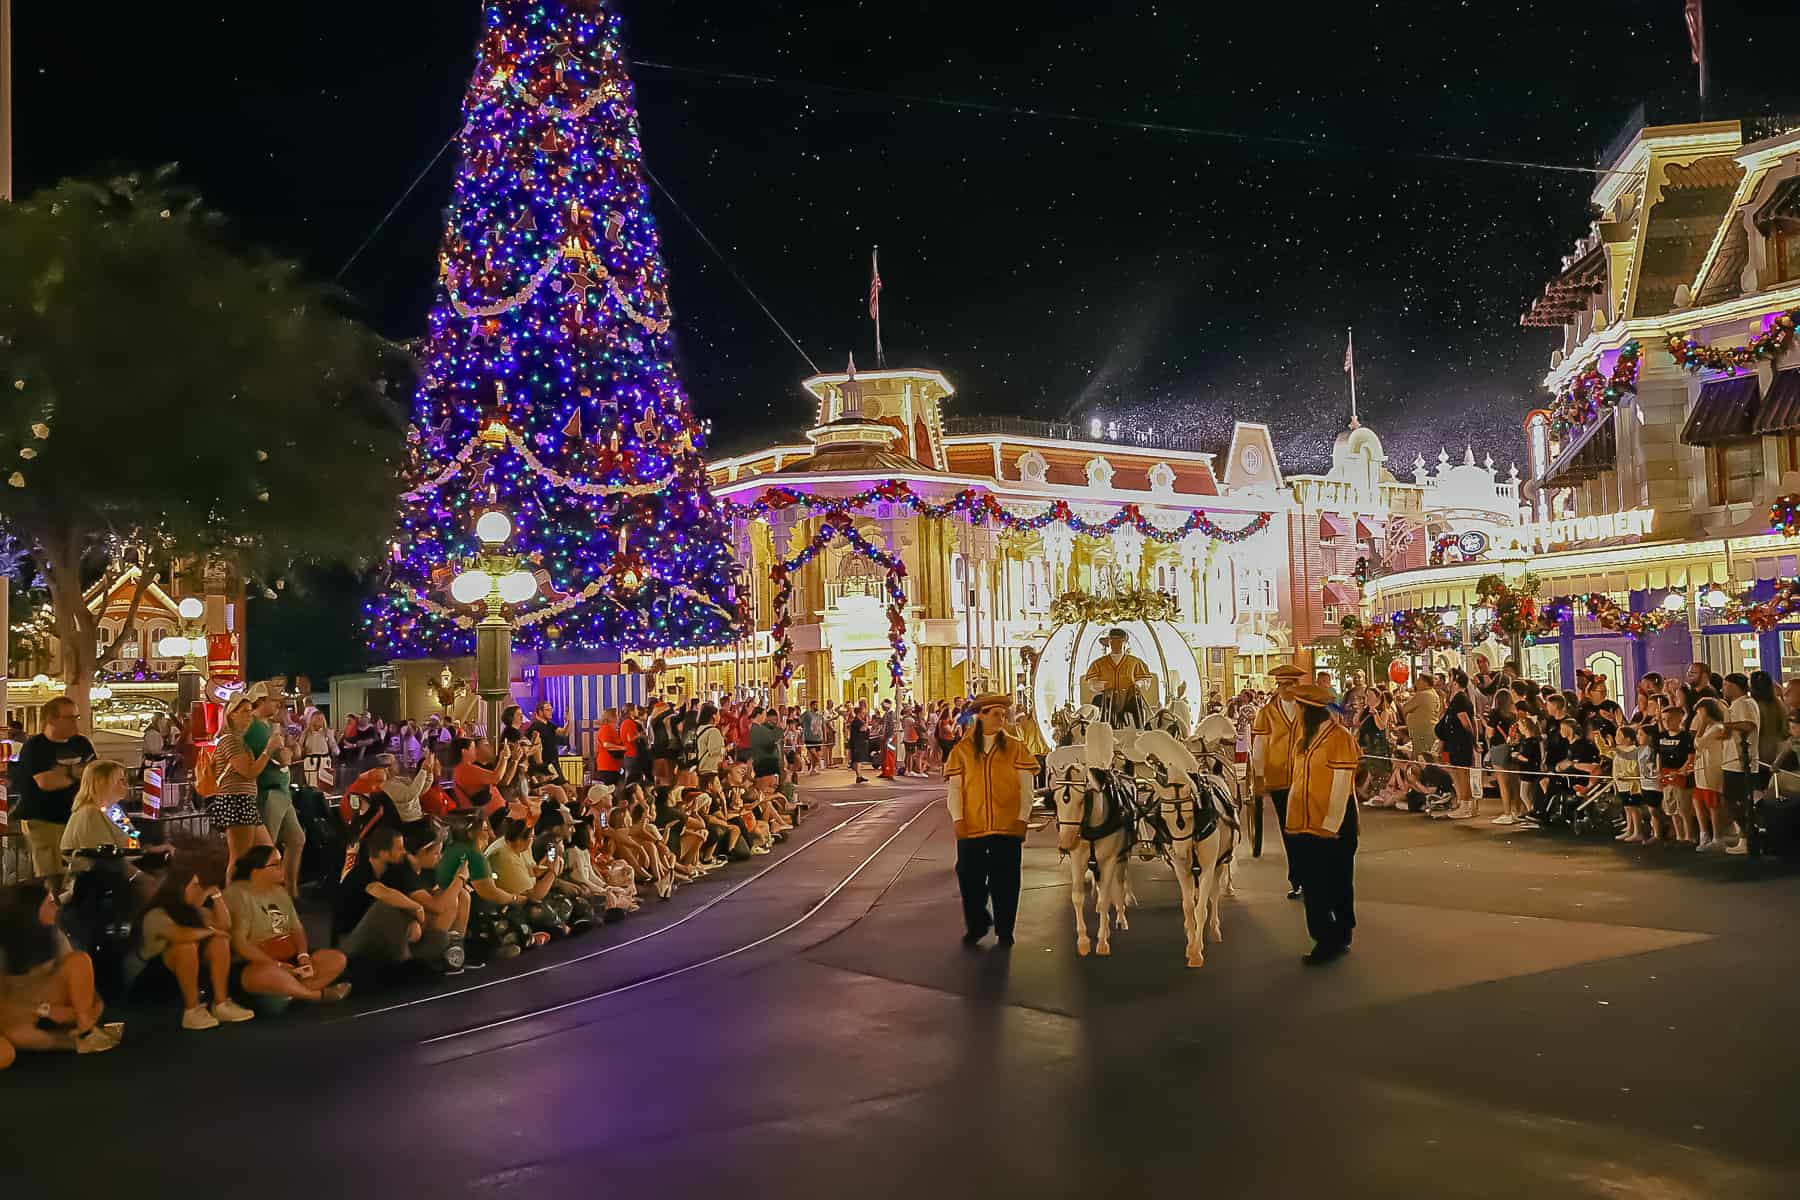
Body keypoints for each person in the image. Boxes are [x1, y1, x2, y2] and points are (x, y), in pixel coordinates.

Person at [943, 693, 1036, 948]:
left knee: (1006, 880)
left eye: (1003, 715)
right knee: (968, 876)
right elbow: (955, 789)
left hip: (1007, 826)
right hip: (972, 826)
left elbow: (1027, 788)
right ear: (980, 716)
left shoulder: (1016, 747)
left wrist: (1022, 819)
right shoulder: (962, 751)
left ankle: (1005, 930)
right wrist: (958, 819)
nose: (1001, 719)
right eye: (996, 714)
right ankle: (977, 923)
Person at [1282, 683, 1362, 965]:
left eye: (1300, 707)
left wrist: (1330, 826)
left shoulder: (1339, 737)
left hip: (1332, 824)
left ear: (1309, 710)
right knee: (1316, 882)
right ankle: (1333, 935)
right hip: (1304, 822)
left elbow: (1342, 784)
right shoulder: (1305, 736)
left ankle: (1331, 937)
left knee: (1334, 881)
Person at [0, 880, 119, 1059]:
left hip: (56, 1005)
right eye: (49, 903)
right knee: (17, 1035)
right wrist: (45, 1010)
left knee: (79, 960)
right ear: (30, 912)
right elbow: (5, 1006)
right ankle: (77, 1043)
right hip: (23, 1011)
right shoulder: (4, 947)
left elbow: (80, 976)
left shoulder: (54, 935)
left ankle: (86, 1028)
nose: (56, 907)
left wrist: (92, 1008)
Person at [129, 867, 257, 1030]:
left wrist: (216, 895)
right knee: (186, 946)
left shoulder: (193, 911)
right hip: (154, 980)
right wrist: (210, 931)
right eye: (195, 886)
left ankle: (221, 1003)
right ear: (180, 888)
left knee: (219, 941)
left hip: (185, 974)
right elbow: (180, 934)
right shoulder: (157, 914)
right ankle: (192, 1011)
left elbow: (224, 925)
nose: (199, 890)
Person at [224, 846, 351, 1004]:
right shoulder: (238, 894)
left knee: (336, 959)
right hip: (257, 962)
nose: (283, 868)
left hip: (288, 957)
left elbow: (296, 928)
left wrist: (303, 956)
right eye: (276, 864)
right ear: (256, 872)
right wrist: (275, 964)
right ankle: (316, 995)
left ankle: (291, 993)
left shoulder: (280, 892)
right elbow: (240, 943)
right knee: (267, 974)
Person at [12, 696, 97, 877]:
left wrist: (65, 773)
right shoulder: (35, 747)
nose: (75, 722)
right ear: (51, 720)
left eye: (77, 717)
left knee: (80, 872)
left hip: (77, 819)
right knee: (52, 875)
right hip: (44, 821)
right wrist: (76, 773)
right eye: (69, 718)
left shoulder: (82, 744)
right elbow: (46, 782)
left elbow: (95, 775)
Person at [1250, 663, 1308, 899]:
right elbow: (1260, 747)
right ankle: (1298, 879)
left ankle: (1313, 875)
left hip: (1306, 776)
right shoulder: (1266, 713)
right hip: (1279, 779)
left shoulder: (1308, 709)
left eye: (1288, 685)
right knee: (1290, 830)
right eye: (1281, 685)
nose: (1284, 689)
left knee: (1308, 828)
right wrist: (1260, 777)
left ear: (1297, 686)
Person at [243, 683, 304, 896]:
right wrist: (288, 749)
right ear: (260, 701)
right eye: (273, 700)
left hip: (281, 791)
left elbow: (289, 755)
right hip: (270, 791)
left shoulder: (266, 727)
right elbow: (285, 757)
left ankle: (289, 889)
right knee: (267, 847)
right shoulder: (256, 729)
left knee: (296, 839)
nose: (277, 704)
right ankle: (266, 891)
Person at [213, 694, 277, 880]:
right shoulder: (230, 741)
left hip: (244, 800)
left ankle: (250, 891)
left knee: (266, 852)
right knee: (239, 857)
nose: (250, 716)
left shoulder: (238, 741)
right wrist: (268, 750)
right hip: (236, 800)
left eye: (250, 712)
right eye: (245, 712)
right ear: (232, 714)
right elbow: (249, 772)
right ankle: (233, 897)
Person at [59, 759, 133, 864]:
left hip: (124, 866)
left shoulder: (114, 809)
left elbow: (132, 838)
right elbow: (105, 859)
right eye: (121, 780)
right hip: (101, 876)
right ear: (102, 783)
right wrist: (139, 876)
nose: (126, 784)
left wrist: (149, 849)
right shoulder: (89, 813)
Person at [593, 707, 625, 787]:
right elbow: (606, 744)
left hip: (613, 766)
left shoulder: (612, 729)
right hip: (607, 766)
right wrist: (622, 748)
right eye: (617, 715)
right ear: (612, 717)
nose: (619, 717)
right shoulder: (606, 728)